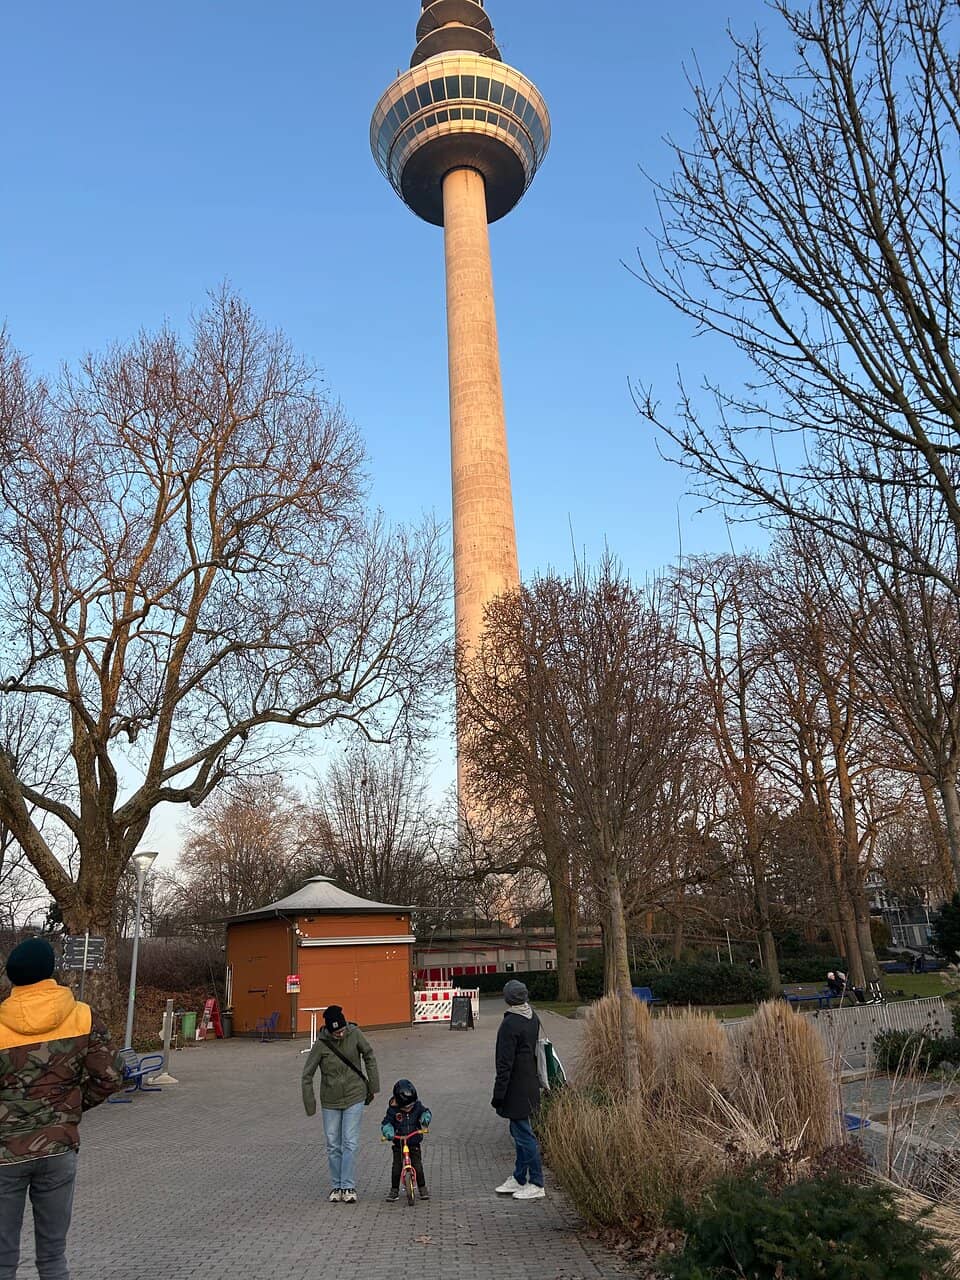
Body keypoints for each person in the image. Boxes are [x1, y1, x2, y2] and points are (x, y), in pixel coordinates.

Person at [0, 937, 121, 1279]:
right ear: (50, 971)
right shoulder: (82, 1016)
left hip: (4, 1155)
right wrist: (71, 1109)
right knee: (53, 1256)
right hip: (58, 1148)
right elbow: (111, 1076)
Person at [301, 1003, 379, 1204]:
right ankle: (337, 1186)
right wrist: (310, 1103)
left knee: (349, 1142)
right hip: (331, 1099)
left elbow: (369, 1055)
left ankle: (348, 1186)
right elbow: (307, 1075)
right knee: (333, 1144)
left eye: (342, 1030)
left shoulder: (355, 1034)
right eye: (336, 1032)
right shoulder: (321, 1044)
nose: (341, 1034)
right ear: (329, 1030)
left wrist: (373, 1085)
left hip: (354, 1095)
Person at [491, 979, 545, 1201]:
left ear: (508, 998)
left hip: (516, 1088)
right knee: (519, 1132)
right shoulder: (533, 1017)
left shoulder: (510, 1023)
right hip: (530, 1083)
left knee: (524, 1135)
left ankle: (537, 1182)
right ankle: (519, 1177)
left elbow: (504, 1064)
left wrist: (498, 1094)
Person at [380, 1078, 431, 1202]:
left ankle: (422, 1188)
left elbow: (425, 1112)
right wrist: (388, 1131)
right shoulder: (393, 1111)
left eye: (411, 1106)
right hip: (399, 1143)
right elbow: (386, 1123)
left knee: (418, 1166)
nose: (409, 1108)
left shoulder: (417, 1106)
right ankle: (394, 1190)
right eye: (406, 1106)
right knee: (396, 1167)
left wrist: (425, 1118)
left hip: (413, 1141)